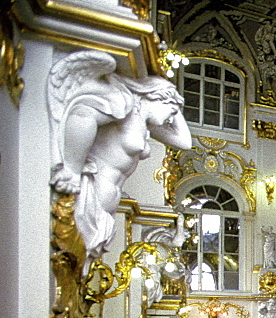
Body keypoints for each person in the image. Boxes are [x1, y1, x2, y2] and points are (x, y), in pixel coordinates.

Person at [49, 50, 192, 268]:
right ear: (154, 98)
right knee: (65, 267)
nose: (170, 118)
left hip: (105, 205)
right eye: (170, 112)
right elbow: (81, 116)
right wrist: (72, 169)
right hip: (86, 193)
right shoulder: (122, 102)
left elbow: (184, 141)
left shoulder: (146, 123)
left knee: (73, 274)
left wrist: (173, 101)